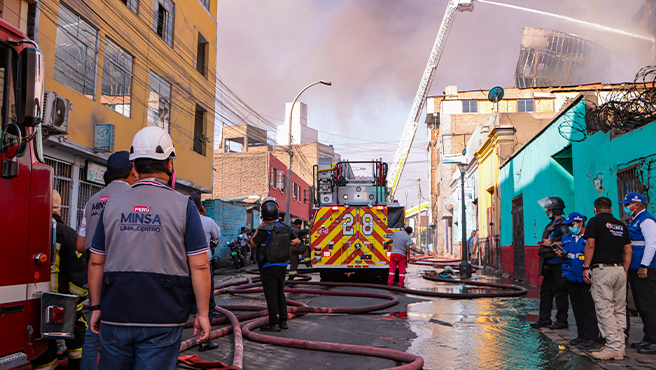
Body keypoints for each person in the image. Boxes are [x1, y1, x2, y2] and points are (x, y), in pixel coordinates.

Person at [87, 126, 211, 370]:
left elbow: (95, 261)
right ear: (169, 165)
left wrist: (95, 307)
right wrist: (203, 314)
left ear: (134, 167)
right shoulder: (184, 206)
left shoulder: (111, 205)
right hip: (163, 317)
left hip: (115, 314)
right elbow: (200, 264)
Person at [76, 151, 138, 370]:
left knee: (92, 335)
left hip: (93, 279)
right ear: (132, 170)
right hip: (121, 278)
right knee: (123, 339)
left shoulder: (92, 200)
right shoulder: (133, 196)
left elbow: (81, 245)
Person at [31, 191, 88, 370]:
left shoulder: (30, 230)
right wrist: (75, 303)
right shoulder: (70, 235)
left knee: (41, 344)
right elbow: (80, 275)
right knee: (78, 335)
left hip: (35, 304)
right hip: (64, 303)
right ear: (59, 208)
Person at [582, 197, 632, 360]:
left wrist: (585, 267)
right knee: (619, 308)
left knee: (605, 308)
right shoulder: (621, 225)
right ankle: (620, 347)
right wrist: (624, 270)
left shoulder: (594, 222)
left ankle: (612, 347)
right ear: (611, 209)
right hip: (619, 270)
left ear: (595, 209)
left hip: (602, 270)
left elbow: (590, 244)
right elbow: (628, 251)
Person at [249, 200, 300, 332]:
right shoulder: (285, 227)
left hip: (268, 266)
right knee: (280, 293)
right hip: (283, 265)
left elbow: (252, 244)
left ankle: (273, 323)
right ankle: (283, 321)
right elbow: (296, 241)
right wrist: (282, 243)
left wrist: (258, 229)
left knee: (271, 295)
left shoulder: (264, 230)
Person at [618, 192, 656, 355]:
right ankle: (648, 338)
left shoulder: (646, 220)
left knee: (648, 305)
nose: (626, 207)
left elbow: (652, 243)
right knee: (641, 305)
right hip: (635, 269)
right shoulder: (636, 220)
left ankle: (654, 341)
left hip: (644, 270)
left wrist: (644, 265)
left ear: (637, 204)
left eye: (627, 205)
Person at [557, 212, 600, 350]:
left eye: (572, 225)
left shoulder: (589, 238)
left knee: (588, 308)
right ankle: (581, 335)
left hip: (585, 277)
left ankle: (591, 337)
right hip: (571, 276)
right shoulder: (567, 239)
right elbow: (568, 257)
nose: (570, 227)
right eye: (568, 225)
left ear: (580, 223)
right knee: (576, 308)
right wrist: (561, 256)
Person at [531, 196, 570, 330]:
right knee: (546, 292)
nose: (546, 212)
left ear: (554, 210)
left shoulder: (563, 224)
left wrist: (551, 243)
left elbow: (567, 241)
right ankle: (544, 319)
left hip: (558, 263)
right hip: (550, 264)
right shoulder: (553, 224)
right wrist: (544, 243)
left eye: (548, 210)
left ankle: (562, 321)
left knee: (560, 292)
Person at [190, 192, 221, 352]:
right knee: (207, 302)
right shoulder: (207, 221)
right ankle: (204, 340)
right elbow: (217, 237)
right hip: (203, 266)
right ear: (200, 205)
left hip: (181, 266)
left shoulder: (179, 220)